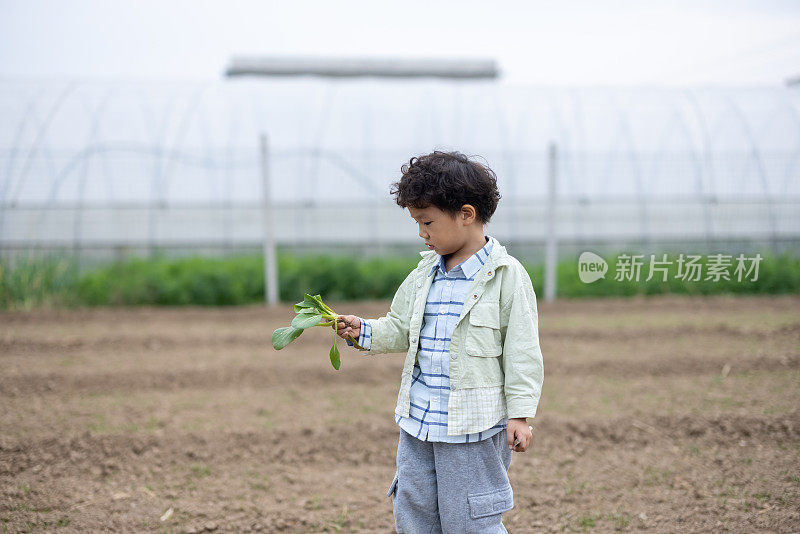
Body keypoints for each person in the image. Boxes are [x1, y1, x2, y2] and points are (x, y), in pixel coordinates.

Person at [335, 150, 544, 533]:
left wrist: (519, 414)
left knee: (470, 517)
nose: (421, 232)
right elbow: (399, 327)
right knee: (413, 511)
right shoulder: (423, 273)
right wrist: (361, 330)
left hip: (473, 425)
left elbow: (522, 351)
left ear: (466, 214)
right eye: (417, 222)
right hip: (418, 420)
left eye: (427, 221)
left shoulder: (506, 276)